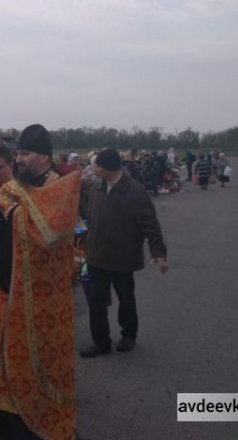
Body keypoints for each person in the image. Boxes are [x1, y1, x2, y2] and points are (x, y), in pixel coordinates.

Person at [0, 124, 81, 440]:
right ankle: (3, 429)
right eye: (18, 153)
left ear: (44, 157)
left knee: (33, 366)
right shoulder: (12, 189)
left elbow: (48, 235)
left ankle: (32, 429)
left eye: (24, 154)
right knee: (5, 366)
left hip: (37, 297)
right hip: (5, 287)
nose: (18, 159)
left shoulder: (59, 189)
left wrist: (15, 215)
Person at [80, 149, 168, 359]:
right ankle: (101, 342)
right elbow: (83, 210)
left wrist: (159, 252)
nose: (94, 170)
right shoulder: (94, 188)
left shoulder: (135, 192)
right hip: (97, 257)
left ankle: (129, 335)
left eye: (96, 167)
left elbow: (150, 224)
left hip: (123, 258)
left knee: (126, 300)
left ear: (103, 167)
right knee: (96, 301)